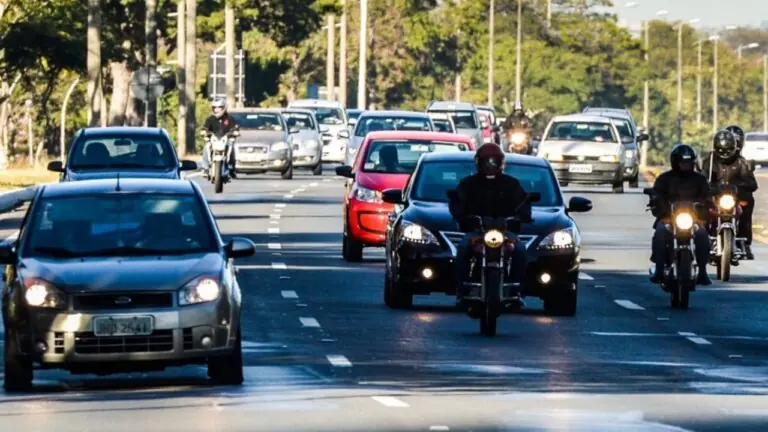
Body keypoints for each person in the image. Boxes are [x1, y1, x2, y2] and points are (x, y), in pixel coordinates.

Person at [449, 143, 531, 309]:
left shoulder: (512, 184)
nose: (490, 166)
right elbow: (457, 204)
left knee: (520, 251)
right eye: (487, 162)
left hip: (505, 232)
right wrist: (464, 217)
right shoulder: (467, 184)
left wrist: (521, 217)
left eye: (494, 162)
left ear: (501, 163)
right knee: (463, 249)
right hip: (476, 232)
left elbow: (523, 204)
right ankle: (461, 289)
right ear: (478, 162)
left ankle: (517, 291)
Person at [650, 144, 712, 286]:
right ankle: (659, 269)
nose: (685, 165)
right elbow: (656, 195)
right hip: (669, 218)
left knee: (702, 234)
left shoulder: (700, 179)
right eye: (682, 162)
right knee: (660, 232)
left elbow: (707, 197)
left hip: (693, 218)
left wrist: (704, 209)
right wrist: (659, 205)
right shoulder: (664, 178)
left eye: (688, 162)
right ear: (675, 162)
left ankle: (702, 271)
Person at [701, 128, 758, 259]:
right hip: (714, 197)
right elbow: (702, 178)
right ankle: (702, 240)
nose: (725, 153)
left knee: (747, 205)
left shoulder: (741, 162)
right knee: (701, 210)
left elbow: (752, 183)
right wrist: (708, 187)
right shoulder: (710, 161)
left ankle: (745, 242)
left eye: (728, 150)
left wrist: (738, 187)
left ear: (734, 147)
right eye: (721, 150)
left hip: (734, 198)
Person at [200, 98, 239, 178]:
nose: (216, 109)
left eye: (219, 107)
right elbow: (205, 128)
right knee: (206, 146)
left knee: (231, 146)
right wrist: (204, 132)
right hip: (214, 140)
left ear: (224, 107)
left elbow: (235, 128)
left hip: (226, 140)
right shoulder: (210, 119)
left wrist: (235, 132)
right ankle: (205, 168)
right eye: (215, 107)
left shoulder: (230, 118)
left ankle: (231, 167)